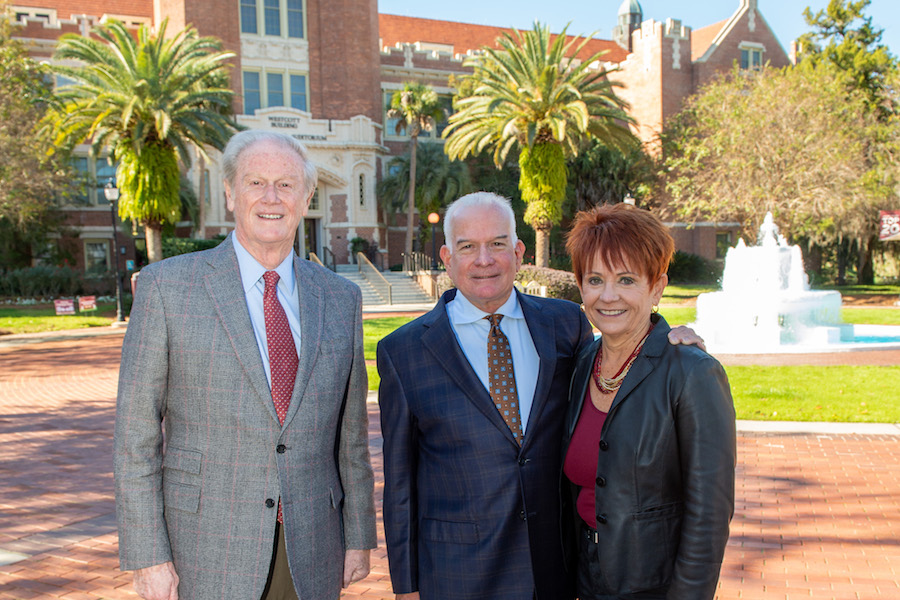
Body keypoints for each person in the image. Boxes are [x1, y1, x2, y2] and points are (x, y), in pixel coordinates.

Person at [376, 192, 702, 600]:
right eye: (467, 247)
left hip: (555, 568)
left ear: (518, 250)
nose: (484, 259)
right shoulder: (403, 351)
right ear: (446, 257)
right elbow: (400, 483)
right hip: (459, 575)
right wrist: (406, 586)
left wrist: (672, 338)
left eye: (497, 244)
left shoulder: (565, 325)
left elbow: (622, 356)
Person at [114, 130, 376, 600]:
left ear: (307, 196)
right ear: (230, 193)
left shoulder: (341, 298)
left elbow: (350, 437)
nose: (271, 198)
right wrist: (148, 554)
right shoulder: (167, 288)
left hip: (314, 542)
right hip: (204, 544)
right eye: (256, 183)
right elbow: (136, 437)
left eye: (286, 184)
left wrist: (357, 536)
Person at [562, 204, 736, 600]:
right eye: (595, 280)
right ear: (580, 286)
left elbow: (709, 514)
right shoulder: (581, 363)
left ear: (656, 287)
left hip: (653, 586)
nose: (608, 296)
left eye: (626, 280)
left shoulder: (691, 373)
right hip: (584, 577)